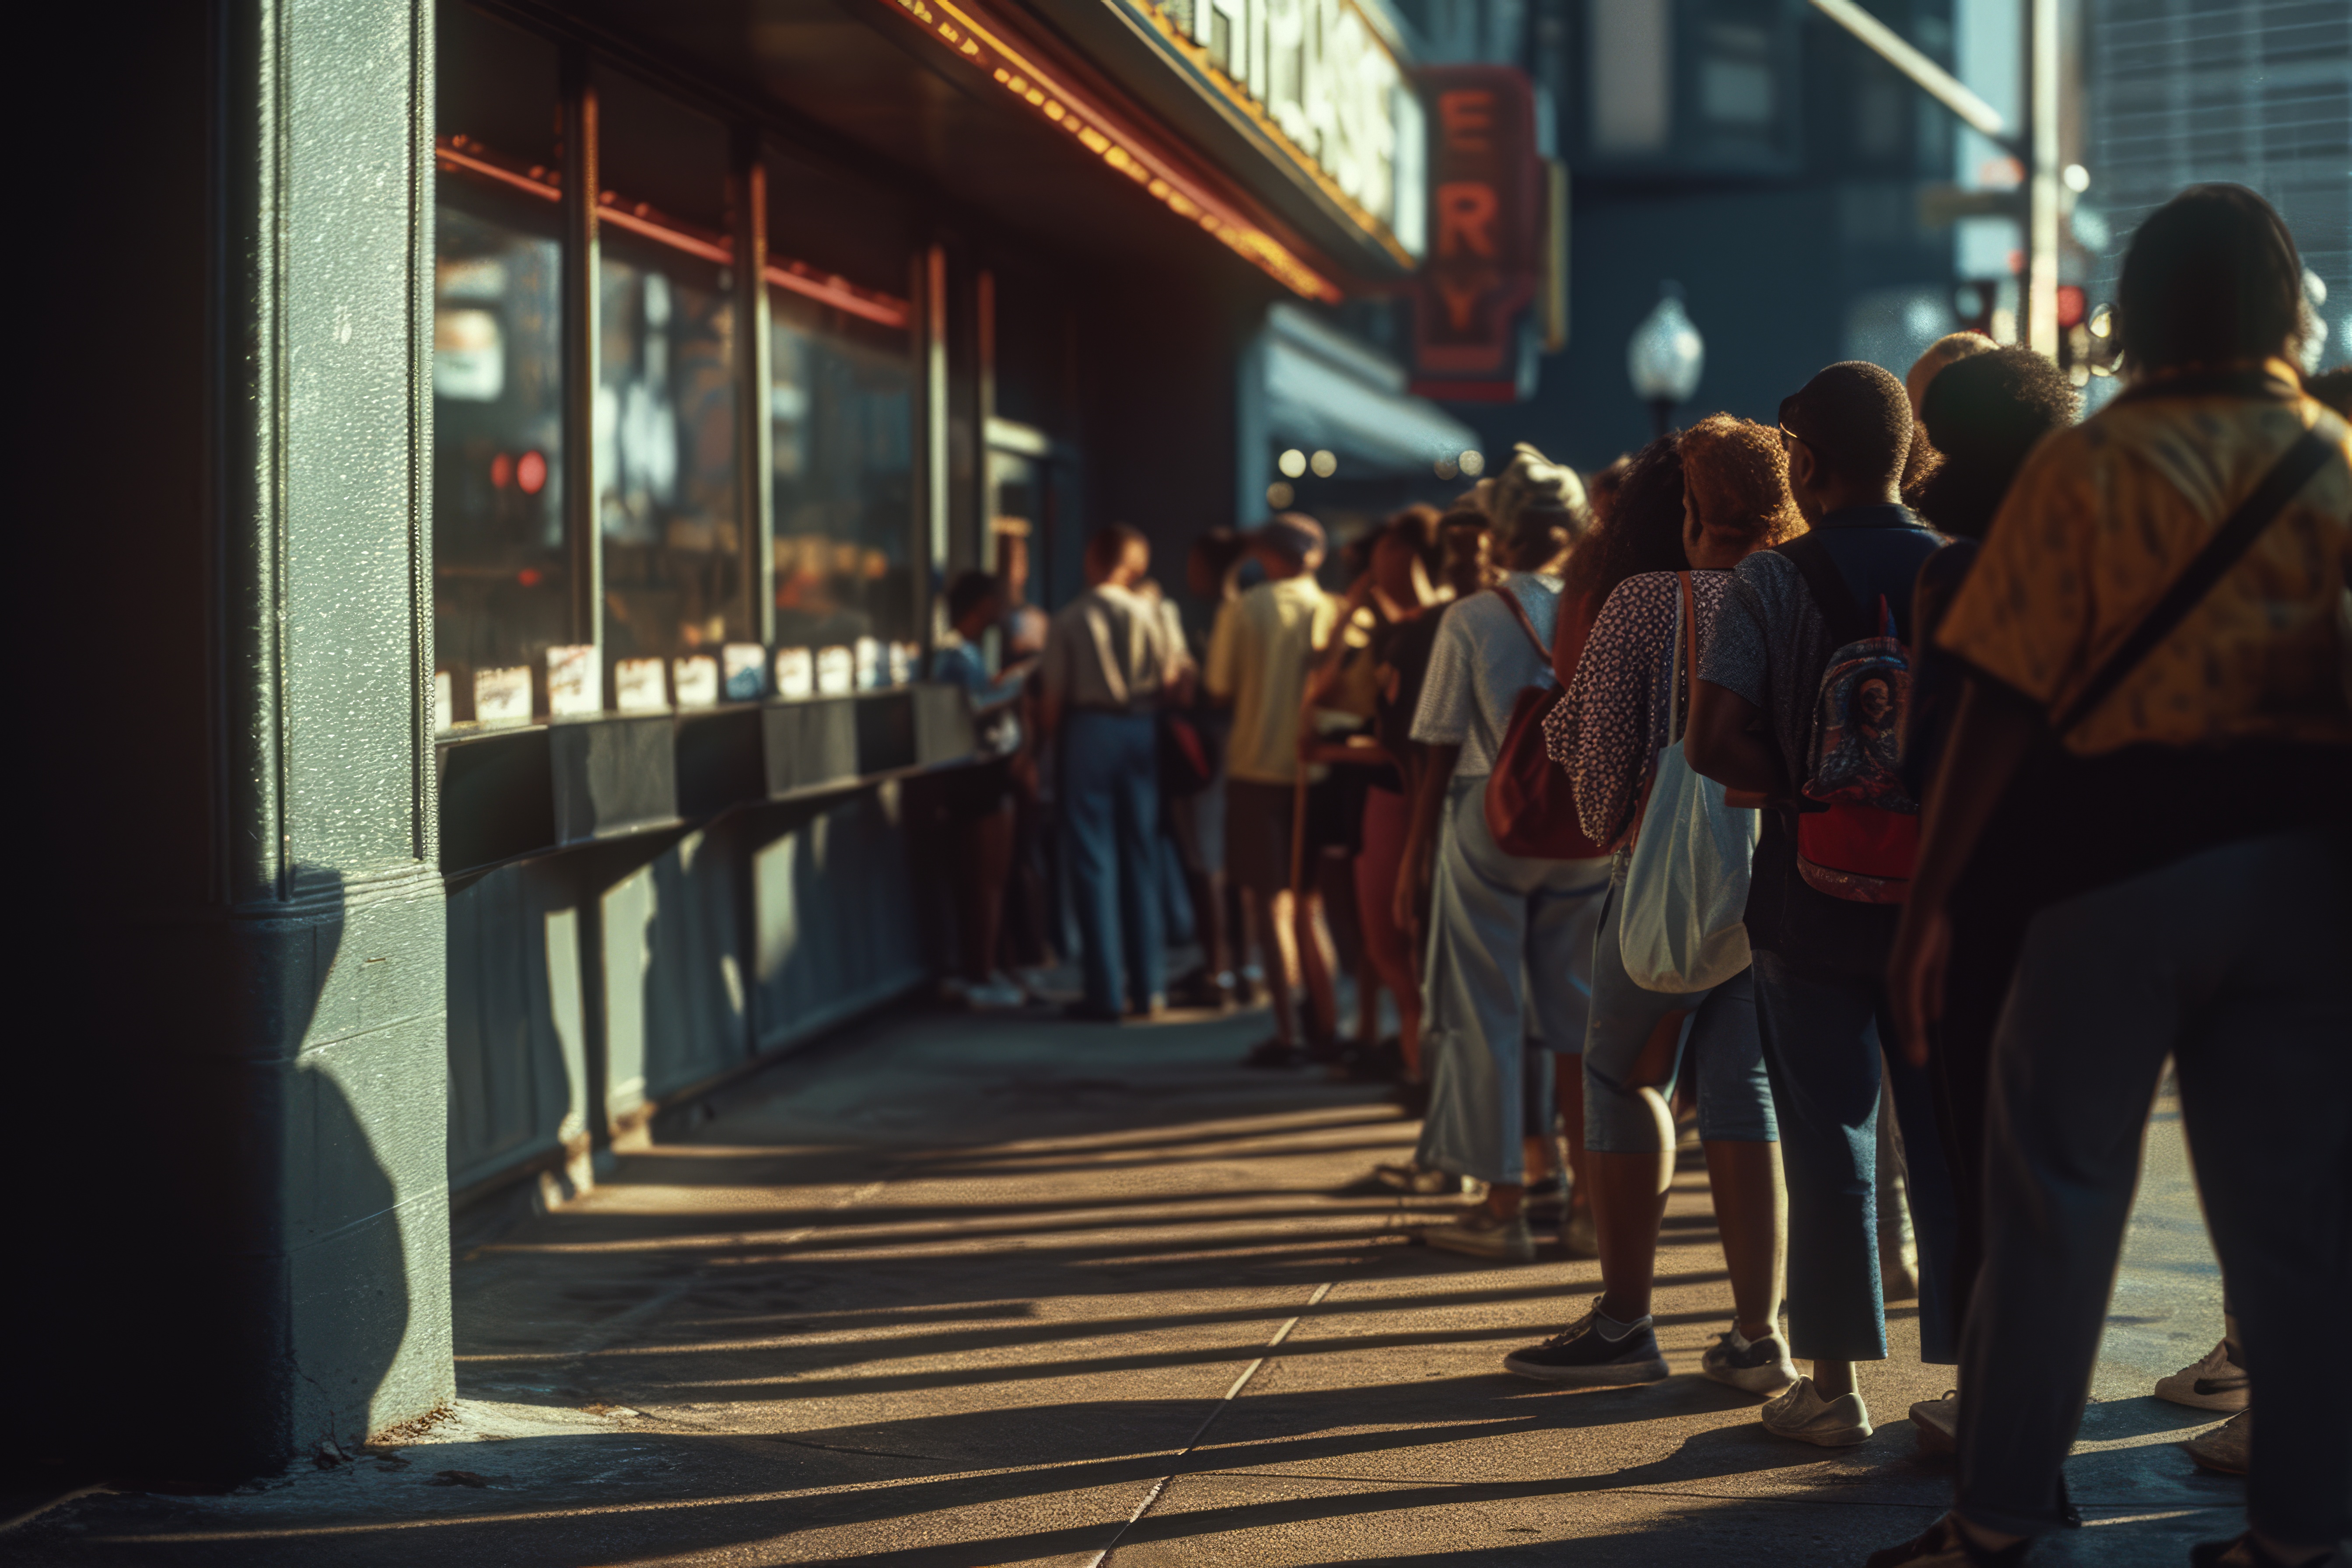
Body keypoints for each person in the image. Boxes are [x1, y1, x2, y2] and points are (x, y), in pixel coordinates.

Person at [1868, 184, 2352, 1568]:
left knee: (2053, 1198)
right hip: (2299, 885)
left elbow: (2001, 696)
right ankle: (2304, 1531)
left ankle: (2004, 1516)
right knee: (2291, 1227)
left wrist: (1932, 904)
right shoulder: (2329, 457)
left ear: (2140, 309)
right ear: (2281, 304)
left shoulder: (2087, 469)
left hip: (2113, 868)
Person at [1683, 361, 1959, 1447]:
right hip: (1937, 908)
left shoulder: (1767, 583)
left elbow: (1712, 741)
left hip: (1808, 899)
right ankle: (1973, 1382)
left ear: (1809, 459)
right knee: (1945, 1139)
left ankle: (1834, 1387)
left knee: (1828, 1134)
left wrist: (1803, 789)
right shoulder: (1958, 569)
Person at [1509, 415, 1802, 1387]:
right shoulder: (1800, 594)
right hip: (1777, 880)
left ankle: (1627, 1319)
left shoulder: (1645, 603)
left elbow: (1597, 793)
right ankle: (1761, 1335)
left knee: (1616, 1075)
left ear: (1691, 510)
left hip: (1663, 876)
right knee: (1744, 1091)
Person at [1883, 346, 2080, 1453]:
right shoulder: (2104, 549)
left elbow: (1939, 755)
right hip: (2102, 893)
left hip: (1987, 898)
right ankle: (2040, 1416)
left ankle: (2000, 1434)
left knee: (1981, 1159)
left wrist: (1926, 913)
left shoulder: (1956, 575)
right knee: (2065, 1167)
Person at [1401, 448, 1613, 1262]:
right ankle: (1592, 1204)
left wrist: (1413, 859)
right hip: (1583, 830)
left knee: (1486, 1013)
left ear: (1496, 533)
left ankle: (1504, 1204)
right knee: (1579, 1021)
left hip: (1485, 818)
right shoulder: (1601, 608)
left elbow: (1435, 743)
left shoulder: (1471, 617)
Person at [1206, 514, 1342, 1064]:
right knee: (1312, 908)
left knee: (1270, 907)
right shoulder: (1332, 609)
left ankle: (1286, 1034)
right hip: (1316, 772)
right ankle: (1330, 1028)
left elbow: (1219, 686)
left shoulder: (1246, 608)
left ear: (1268, 553)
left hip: (1256, 770)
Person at [1039, 524, 1186, 1021]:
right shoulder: (1156, 614)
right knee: (1142, 856)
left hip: (1089, 731)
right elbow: (1176, 682)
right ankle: (1150, 987)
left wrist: (1040, 749)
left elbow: (1053, 698)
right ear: (1133, 563)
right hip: (1142, 729)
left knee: (1092, 859)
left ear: (1092, 559)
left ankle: (1105, 991)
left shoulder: (1070, 619)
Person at [931, 570, 1038, 1010]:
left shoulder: (966, 653)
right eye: (999, 601)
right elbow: (968, 707)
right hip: (976, 775)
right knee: (985, 879)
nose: (1006, 610)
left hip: (975, 773)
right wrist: (1013, 687)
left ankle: (984, 967)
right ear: (980, 606)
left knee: (985, 878)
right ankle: (980, 971)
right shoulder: (955, 654)